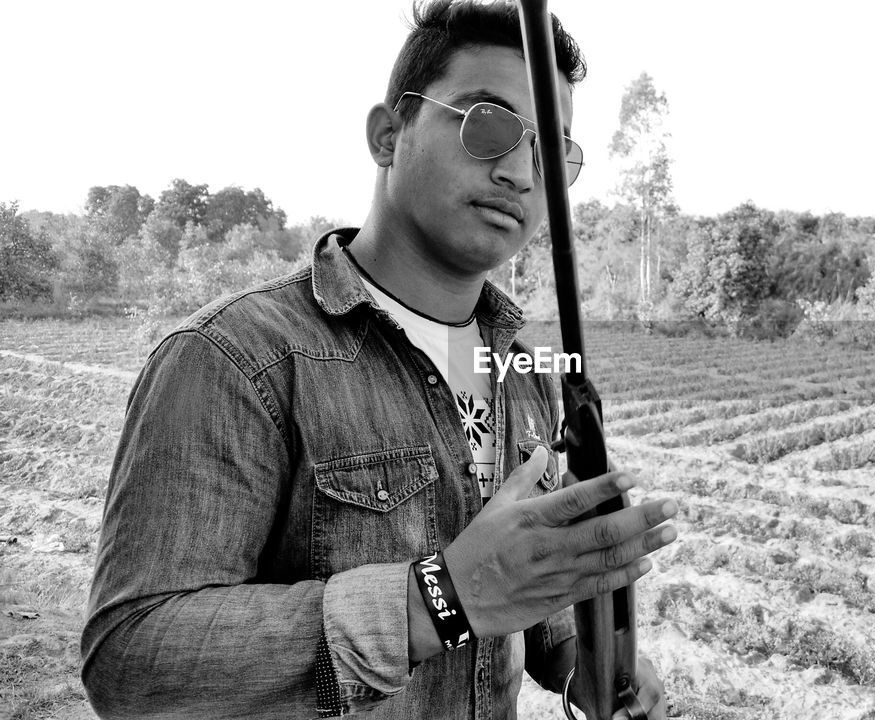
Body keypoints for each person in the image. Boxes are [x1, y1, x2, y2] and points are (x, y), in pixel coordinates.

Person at [79, 1, 676, 718]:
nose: (520, 172)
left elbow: (519, 588)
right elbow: (132, 664)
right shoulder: (234, 360)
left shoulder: (527, 373)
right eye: (487, 124)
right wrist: (440, 600)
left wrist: (580, 658)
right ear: (388, 135)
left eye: (550, 152)